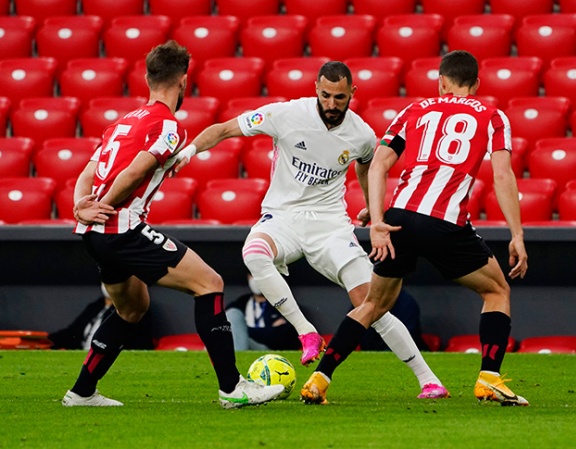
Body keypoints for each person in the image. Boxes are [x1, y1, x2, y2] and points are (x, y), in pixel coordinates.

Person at [175, 61, 449, 399]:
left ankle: (429, 380)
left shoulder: (361, 134)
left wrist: (370, 208)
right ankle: (307, 332)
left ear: (352, 94)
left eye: (339, 97)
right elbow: (223, 129)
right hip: (283, 217)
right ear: (315, 89)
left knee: (370, 303)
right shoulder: (286, 115)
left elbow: (367, 169)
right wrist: (189, 151)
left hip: (330, 225)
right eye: (325, 95)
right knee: (253, 254)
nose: (331, 104)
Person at [300, 50, 529, 406]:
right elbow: (502, 175)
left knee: (373, 303)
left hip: (401, 218)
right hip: (446, 224)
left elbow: (378, 165)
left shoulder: (415, 110)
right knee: (497, 290)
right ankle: (489, 378)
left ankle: (320, 378)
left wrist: (378, 219)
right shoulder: (493, 117)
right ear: (477, 84)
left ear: (440, 81)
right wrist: (517, 234)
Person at [63, 40, 284, 409]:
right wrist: (106, 205)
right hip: (123, 229)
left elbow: (88, 171)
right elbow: (136, 171)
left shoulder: (122, 122)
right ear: (183, 82)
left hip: (94, 233)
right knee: (209, 283)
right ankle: (232, 388)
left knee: (132, 309)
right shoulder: (169, 127)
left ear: (148, 77)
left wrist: (80, 208)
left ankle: (82, 391)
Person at [49, 284, 154, 350]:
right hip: (83, 354)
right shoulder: (95, 306)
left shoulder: (133, 308)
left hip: (105, 355)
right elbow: (73, 332)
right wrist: (47, 340)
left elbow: (139, 341)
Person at [356, 289, 428, 352]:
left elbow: (408, 337)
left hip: (408, 356)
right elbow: (353, 328)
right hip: (371, 353)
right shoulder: (363, 301)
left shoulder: (406, 302)